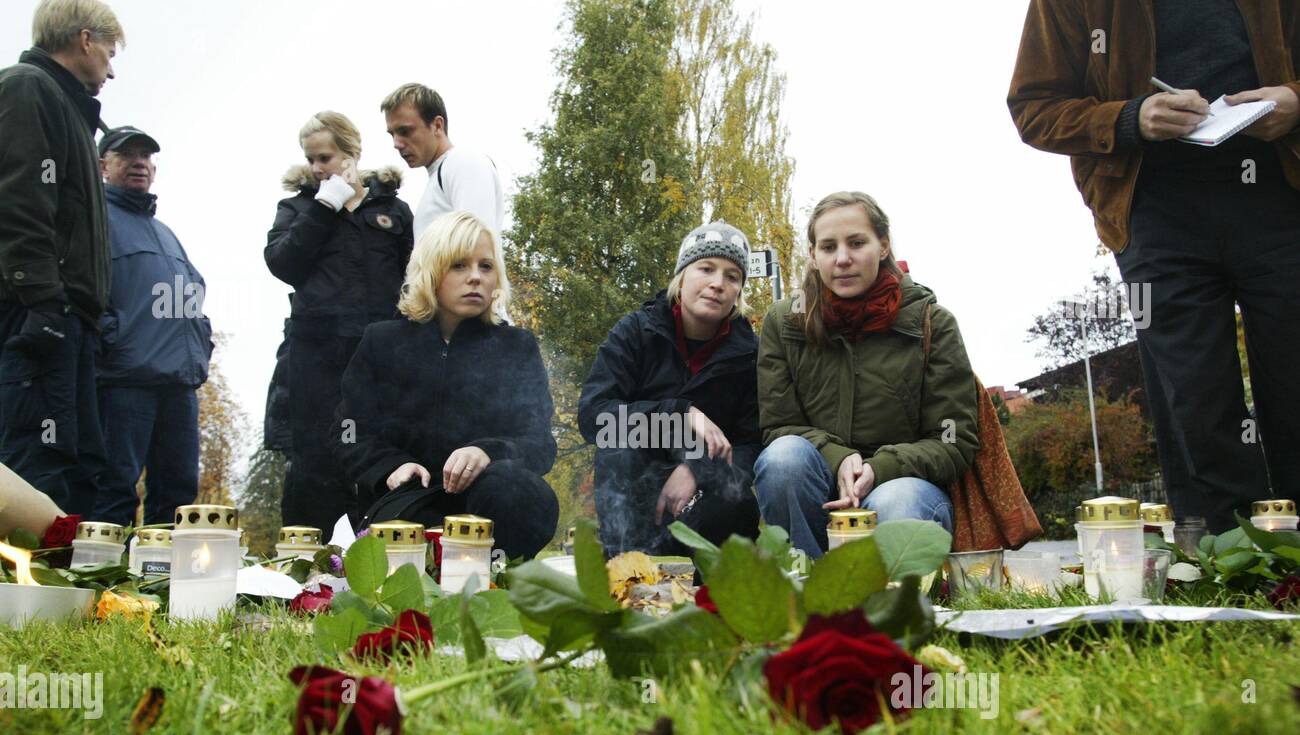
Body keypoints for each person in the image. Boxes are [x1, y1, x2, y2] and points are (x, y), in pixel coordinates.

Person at [1008, 0, 1300, 535]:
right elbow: (1033, 106)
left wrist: (1295, 100)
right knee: (1194, 396)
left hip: (1282, 194)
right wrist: (1128, 117)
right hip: (1153, 215)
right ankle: (1225, 558)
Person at [754, 191, 979, 559]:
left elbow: (954, 440)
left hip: (904, 487)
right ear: (813, 255)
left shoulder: (931, 323)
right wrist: (839, 458)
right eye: (828, 247)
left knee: (896, 501)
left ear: (884, 245)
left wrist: (879, 467)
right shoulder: (784, 323)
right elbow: (778, 425)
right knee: (783, 459)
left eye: (857, 243)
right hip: (819, 484)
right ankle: (808, 594)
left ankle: (886, 609)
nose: (843, 259)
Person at [336, 211, 559, 560]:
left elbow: (539, 443)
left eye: (486, 267)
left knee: (522, 494)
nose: (475, 277)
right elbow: (347, 430)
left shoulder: (517, 347)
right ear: (431, 272)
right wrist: (390, 466)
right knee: (402, 526)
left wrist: (487, 452)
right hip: (410, 500)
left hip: (488, 504)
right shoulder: (382, 341)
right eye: (459, 265)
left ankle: (492, 581)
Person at [0, 0, 124, 516]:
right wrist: (42, 300)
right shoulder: (27, 88)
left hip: (70, 318)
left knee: (79, 464)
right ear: (86, 39)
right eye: (110, 53)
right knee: (37, 461)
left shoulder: (71, 112)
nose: (111, 70)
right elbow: (19, 198)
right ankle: (19, 595)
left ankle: (64, 592)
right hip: (38, 312)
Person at [264, 111, 413, 535]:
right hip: (315, 355)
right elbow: (282, 263)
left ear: (352, 153)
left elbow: (414, 280)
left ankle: (382, 554)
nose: (315, 167)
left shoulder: (392, 210)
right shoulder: (298, 207)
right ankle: (306, 563)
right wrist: (325, 203)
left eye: (325, 157)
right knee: (314, 458)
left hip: (377, 355)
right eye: (310, 159)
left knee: (378, 451)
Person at [578, 221, 762, 559]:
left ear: (739, 291)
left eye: (732, 276)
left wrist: (695, 468)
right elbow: (594, 417)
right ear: (682, 275)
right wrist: (679, 413)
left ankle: (713, 594)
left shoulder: (750, 353)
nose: (717, 283)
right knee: (617, 444)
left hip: (704, 496)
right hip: (634, 490)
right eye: (706, 268)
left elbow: (750, 444)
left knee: (738, 503)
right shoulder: (635, 332)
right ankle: (625, 578)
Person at [93, 125, 212, 527]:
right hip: (125, 380)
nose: (139, 163)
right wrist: (113, 342)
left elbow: (193, 291)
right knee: (114, 487)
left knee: (179, 493)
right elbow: (81, 292)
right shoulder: (94, 220)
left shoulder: (165, 233)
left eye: (146, 156)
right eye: (127, 155)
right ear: (102, 165)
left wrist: (201, 345)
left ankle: (161, 582)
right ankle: (103, 580)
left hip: (179, 385)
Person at [381, 82, 504, 240]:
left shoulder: (463, 162)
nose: (396, 144)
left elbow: (477, 245)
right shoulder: (441, 174)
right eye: (392, 134)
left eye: (405, 131)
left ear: (437, 125)